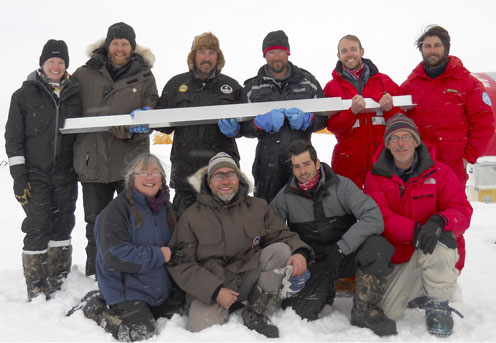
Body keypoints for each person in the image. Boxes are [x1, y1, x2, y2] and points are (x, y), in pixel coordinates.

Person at [167, 152, 313, 338]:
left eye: (231, 174)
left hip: (247, 276)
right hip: (212, 284)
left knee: (281, 250)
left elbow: (281, 234)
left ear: (239, 179)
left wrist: (300, 251)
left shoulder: (258, 206)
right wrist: (215, 290)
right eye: (219, 176)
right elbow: (181, 262)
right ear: (209, 182)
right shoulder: (191, 216)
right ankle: (223, 303)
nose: (225, 181)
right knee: (202, 331)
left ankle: (255, 310)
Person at [270, 140, 397, 336]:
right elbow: (272, 231)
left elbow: (374, 218)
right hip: (315, 262)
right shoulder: (286, 196)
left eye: (306, 164)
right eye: (296, 166)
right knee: (300, 312)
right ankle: (324, 290)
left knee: (377, 247)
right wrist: (299, 252)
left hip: (345, 255)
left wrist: (342, 248)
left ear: (317, 163)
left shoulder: (342, 186)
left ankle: (364, 308)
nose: (302, 171)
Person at [363, 113, 473, 336]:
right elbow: (380, 216)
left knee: (441, 241)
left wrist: (440, 221)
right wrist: (415, 231)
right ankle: (423, 288)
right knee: (388, 310)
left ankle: (439, 303)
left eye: (406, 137)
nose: (401, 143)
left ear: (416, 141)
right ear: (387, 145)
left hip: (433, 247)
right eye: (394, 138)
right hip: (402, 256)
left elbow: (462, 211)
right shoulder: (375, 176)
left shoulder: (440, 172)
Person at [73, 22, 159, 276]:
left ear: (132, 48)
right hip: (93, 159)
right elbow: (68, 109)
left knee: (135, 220)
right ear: (107, 45)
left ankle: (133, 269)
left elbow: (152, 107)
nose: (120, 48)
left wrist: (145, 118)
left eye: (125, 44)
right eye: (116, 43)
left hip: (130, 163)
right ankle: (96, 271)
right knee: (96, 222)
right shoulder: (84, 73)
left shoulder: (144, 76)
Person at [5, 39, 80, 301]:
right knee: (38, 225)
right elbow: (13, 138)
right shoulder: (24, 95)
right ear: (42, 64)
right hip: (35, 173)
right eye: (51, 61)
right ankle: (36, 285)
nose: (56, 66)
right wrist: (19, 176)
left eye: (61, 62)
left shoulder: (75, 93)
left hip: (66, 173)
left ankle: (59, 280)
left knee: (63, 224)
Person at [78, 153, 182, 341]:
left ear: (162, 178)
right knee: (141, 334)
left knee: (182, 319)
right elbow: (114, 255)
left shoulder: (167, 209)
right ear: (131, 178)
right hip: (126, 292)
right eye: (142, 172)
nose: (149, 177)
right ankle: (95, 309)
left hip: (158, 290)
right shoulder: (116, 211)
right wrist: (158, 255)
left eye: (155, 172)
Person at [220, 30, 328, 204]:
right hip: (267, 163)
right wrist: (259, 124)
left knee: (306, 210)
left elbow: (324, 117)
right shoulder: (252, 87)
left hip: (302, 160)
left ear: (288, 53)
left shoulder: (307, 82)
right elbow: (243, 128)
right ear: (264, 55)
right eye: (271, 52)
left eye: (280, 52)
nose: (276, 57)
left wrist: (309, 121)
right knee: (267, 212)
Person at [157, 32, 242, 217]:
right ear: (193, 56)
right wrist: (144, 115)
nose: (206, 57)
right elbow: (162, 125)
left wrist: (238, 129)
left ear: (218, 57)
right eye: (201, 52)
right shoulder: (176, 84)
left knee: (226, 229)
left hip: (223, 174)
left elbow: (249, 125)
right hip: (185, 175)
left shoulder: (231, 86)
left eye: (211, 52)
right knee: (185, 232)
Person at [400, 25, 495, 185]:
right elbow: (398, 120)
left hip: (454, 166)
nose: (432, 51)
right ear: (421, 49)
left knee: (453, 209)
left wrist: (467, 158)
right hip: (419, 165)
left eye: (437, 45)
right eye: (427, 46)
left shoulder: (467, 83)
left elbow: (485, 124)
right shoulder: (410, 85)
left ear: (446, 48)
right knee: (420, 209)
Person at [324, 35, 404, 189]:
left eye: (353, 49)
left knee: (383, 211)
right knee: (348, 211)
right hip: (348, 166)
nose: (349, 54)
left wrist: (390, 110)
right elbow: (332, 126)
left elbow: (404, 121)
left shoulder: (384, 82)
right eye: (344, 51)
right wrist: (351, 112)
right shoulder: (331, 88)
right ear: (338, 56)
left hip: (383, 163)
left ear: (362, 51)